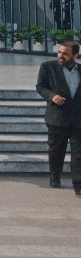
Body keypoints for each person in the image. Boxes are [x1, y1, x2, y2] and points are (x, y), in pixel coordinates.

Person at [36, 40, 81, 193]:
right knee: (56, 152)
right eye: (59, 52)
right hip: (57, 118)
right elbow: (40, 87)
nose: (61, 56)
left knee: (78, 154)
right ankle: (55, 176)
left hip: (78, 119)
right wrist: (52, 96)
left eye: (65, 54)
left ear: (75, 55)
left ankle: (78, 185)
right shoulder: (47, 67)